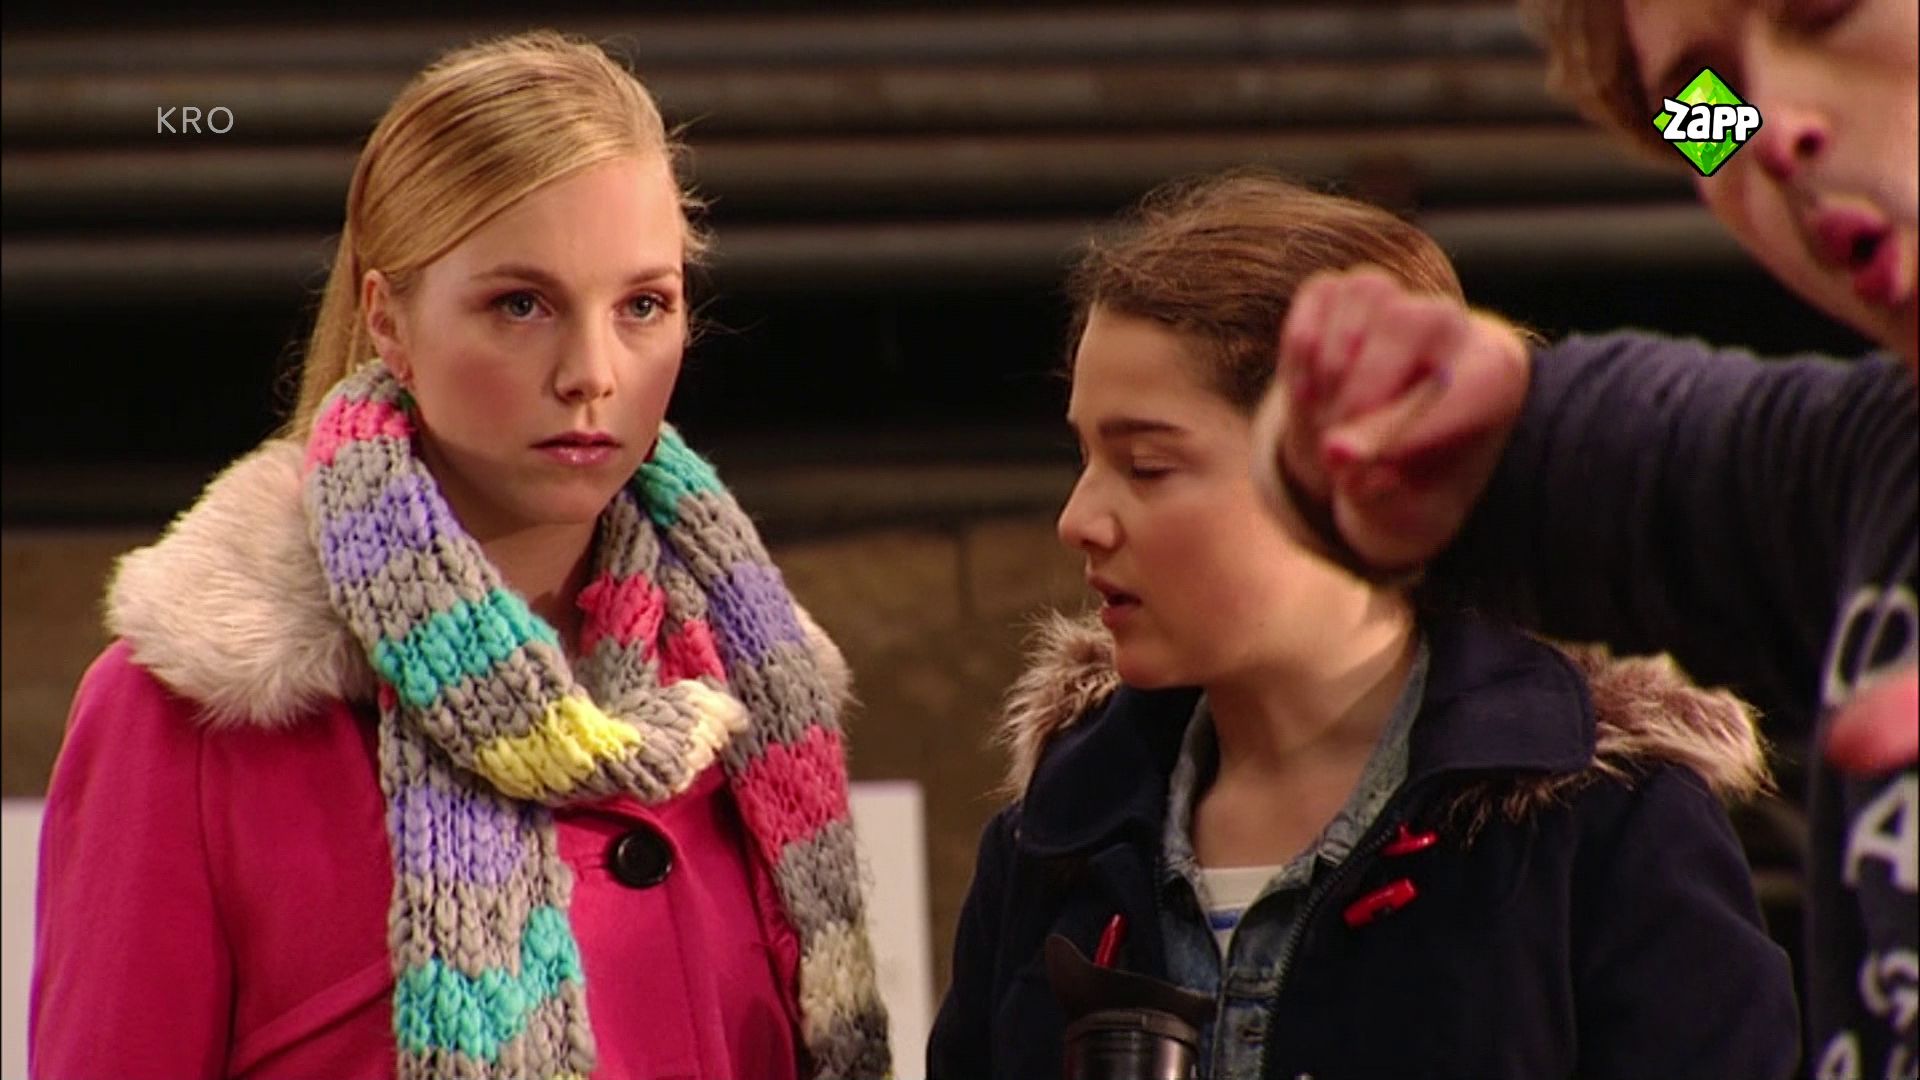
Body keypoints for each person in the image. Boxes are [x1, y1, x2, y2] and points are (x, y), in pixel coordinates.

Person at [29, 30, 890, 1080]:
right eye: (520, 305)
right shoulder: (192, 716)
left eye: (643, 306)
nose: (591, 372)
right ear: (388, 322)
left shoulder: (752, 695)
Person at [926, 171, 1798, 1080]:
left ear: (1348, 466)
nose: (1079, 519)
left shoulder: (1606, 834)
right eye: (1083, 455)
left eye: (1146, 465)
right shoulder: (1051, 847)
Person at [1248, 2, 1917, 1073]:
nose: (1771, 130)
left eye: (1827, 11)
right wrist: (1425, 430)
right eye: (1705, 100)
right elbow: (1599, 451)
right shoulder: (1869, 471)